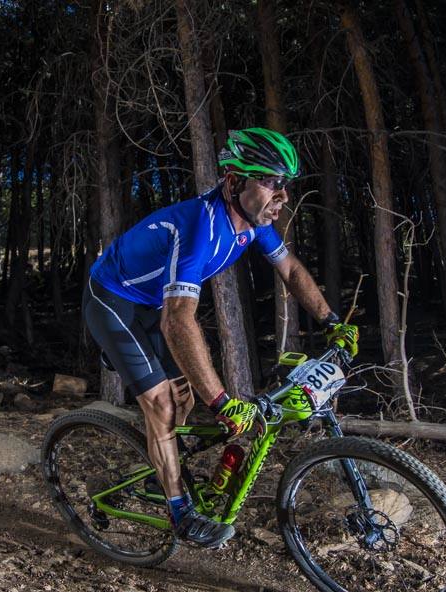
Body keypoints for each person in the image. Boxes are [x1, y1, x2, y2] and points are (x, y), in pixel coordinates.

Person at [83, 127, 358, 548]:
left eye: (285, 185)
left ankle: (168, 466)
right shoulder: (199, 229)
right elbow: (178, 322)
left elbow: (292, 271)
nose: (282, 197)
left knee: (185, 396)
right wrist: (223, 402)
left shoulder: (254, 222)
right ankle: (180, 511)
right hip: (112, 300)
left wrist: (331, 320)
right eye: (270, 183)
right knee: (160, 403)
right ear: (233, 182)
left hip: (152, 304)